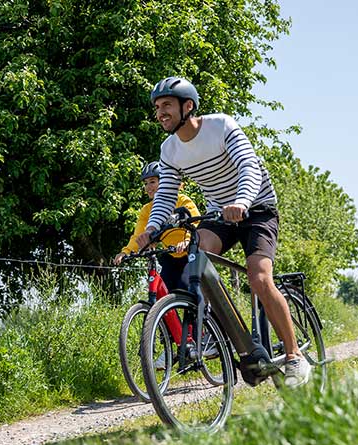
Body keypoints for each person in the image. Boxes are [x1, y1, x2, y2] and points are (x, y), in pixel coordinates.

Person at [135, 76, 311, 387]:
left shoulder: (220, 126)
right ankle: (224, 335)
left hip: (256, 208)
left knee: (258, 277)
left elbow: (248, 166)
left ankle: (295, 356)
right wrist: (152, 229)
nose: (160, 112)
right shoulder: (169, 149)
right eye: (157, 107)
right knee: (195, 258)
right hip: (219, 215)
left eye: (166, 105)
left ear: (187, 106)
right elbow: (164, 195)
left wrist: (242, 200)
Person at [113, 161, 199, 293]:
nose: (148, 187)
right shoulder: (147, 210)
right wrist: (126, 251)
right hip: (170, 256)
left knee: (185, 290)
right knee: (163, 293)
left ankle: (201, 311)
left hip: (189, 255)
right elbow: (139, 235)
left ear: (165, 182)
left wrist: (187, 240)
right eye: (146, 183)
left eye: (152, 182)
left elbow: (195, 223)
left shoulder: (182, 201)